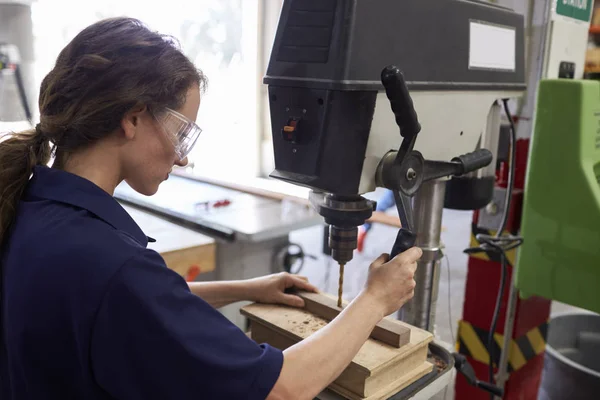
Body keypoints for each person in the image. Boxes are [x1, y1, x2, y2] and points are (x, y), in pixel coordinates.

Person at [0, 17, 422, 400]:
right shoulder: (114, 267)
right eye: (180, 133)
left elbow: (131, 308)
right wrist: (374, 299)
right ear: (133, 119)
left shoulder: (30, 205)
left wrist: (244, 290)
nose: (182, 157)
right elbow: (285, 388)